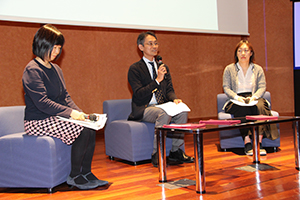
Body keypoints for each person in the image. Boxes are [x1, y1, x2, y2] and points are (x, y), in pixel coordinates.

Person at [22, 24, 108, 190]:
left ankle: (86, 172)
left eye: (58, 48)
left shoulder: (56, 69)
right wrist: (71, 114)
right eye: (53, 48)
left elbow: (64, 97)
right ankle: (75, 176)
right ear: (42, 45)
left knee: (89, 127)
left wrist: (81, 115)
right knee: (81, 130)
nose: (56, 52)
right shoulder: (32, 70)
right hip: (38, 121)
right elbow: (42, 102)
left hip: (54, 116)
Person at [127, 31, 194, 167]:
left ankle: (176, 151)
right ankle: (157, 153)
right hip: (145, 108)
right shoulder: (135, 69)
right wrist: (157, 81)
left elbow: (169, 89)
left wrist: (174, 99)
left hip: (163, 105)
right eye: (150, 44)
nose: (154, 46)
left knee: (182, 111)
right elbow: (139, 94)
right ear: (141, 47)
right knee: (163, 113)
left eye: (156, 43)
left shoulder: (163, 68)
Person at [222, 40, 279, 156]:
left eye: (246, 51)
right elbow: (226, 88)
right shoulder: (229, 69)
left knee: (261, 107)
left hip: (253, 96)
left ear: (251, 53)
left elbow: (262, 87)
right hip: (236, 98)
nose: (243, 53)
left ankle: (258, 142)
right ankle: (247, 141)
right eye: (240, 51)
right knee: (242, 109)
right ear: (236, 54)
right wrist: (237, 98)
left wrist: (254, 97)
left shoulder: (258, 69)